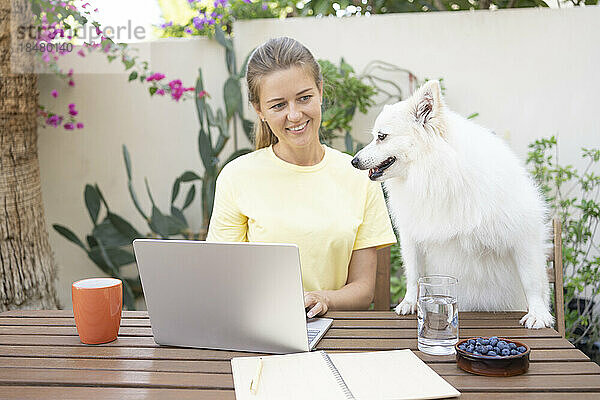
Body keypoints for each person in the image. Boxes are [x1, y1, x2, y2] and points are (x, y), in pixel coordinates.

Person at [206, 37, 396, 318]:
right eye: (278, 105)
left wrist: (323, 299)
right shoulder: (236, 177)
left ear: (320, 92)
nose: (294, 115)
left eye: (304, 98)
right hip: (260, 330)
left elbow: (364, 289)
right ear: (259, 110)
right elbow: (221, 280)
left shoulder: (357, 176)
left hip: (335, 333)